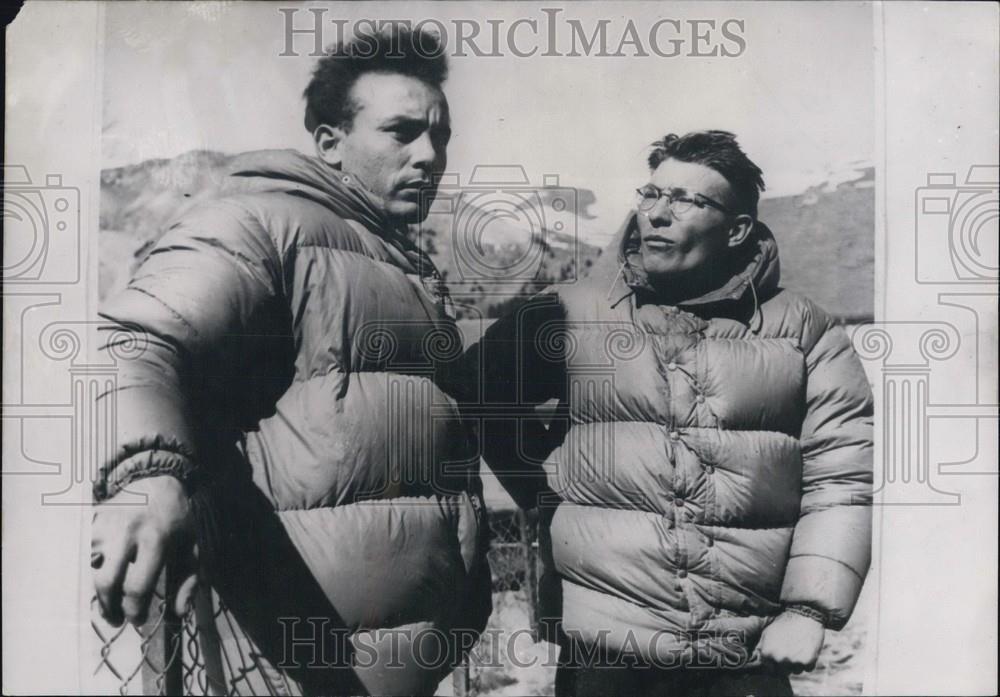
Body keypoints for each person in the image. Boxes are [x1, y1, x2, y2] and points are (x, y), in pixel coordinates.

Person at [91, 27, 490, 696]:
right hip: (297, 666)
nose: (429, 155)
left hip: (396, 664)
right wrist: (144, 472)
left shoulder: (392, 256)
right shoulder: (259, 224)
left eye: (439, 135)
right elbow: (133, 338)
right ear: (330, 143)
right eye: (401, 131)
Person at [468, 130, 873, 696]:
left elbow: (841, 479)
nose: (656, 214)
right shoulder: (570, 313)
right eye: (651, 194)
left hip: (747, 652)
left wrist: (810, 608)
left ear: (736, 230)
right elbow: (475, 392)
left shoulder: (807, 333)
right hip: (605, 655)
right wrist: (546, 490)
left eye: (685, 200)